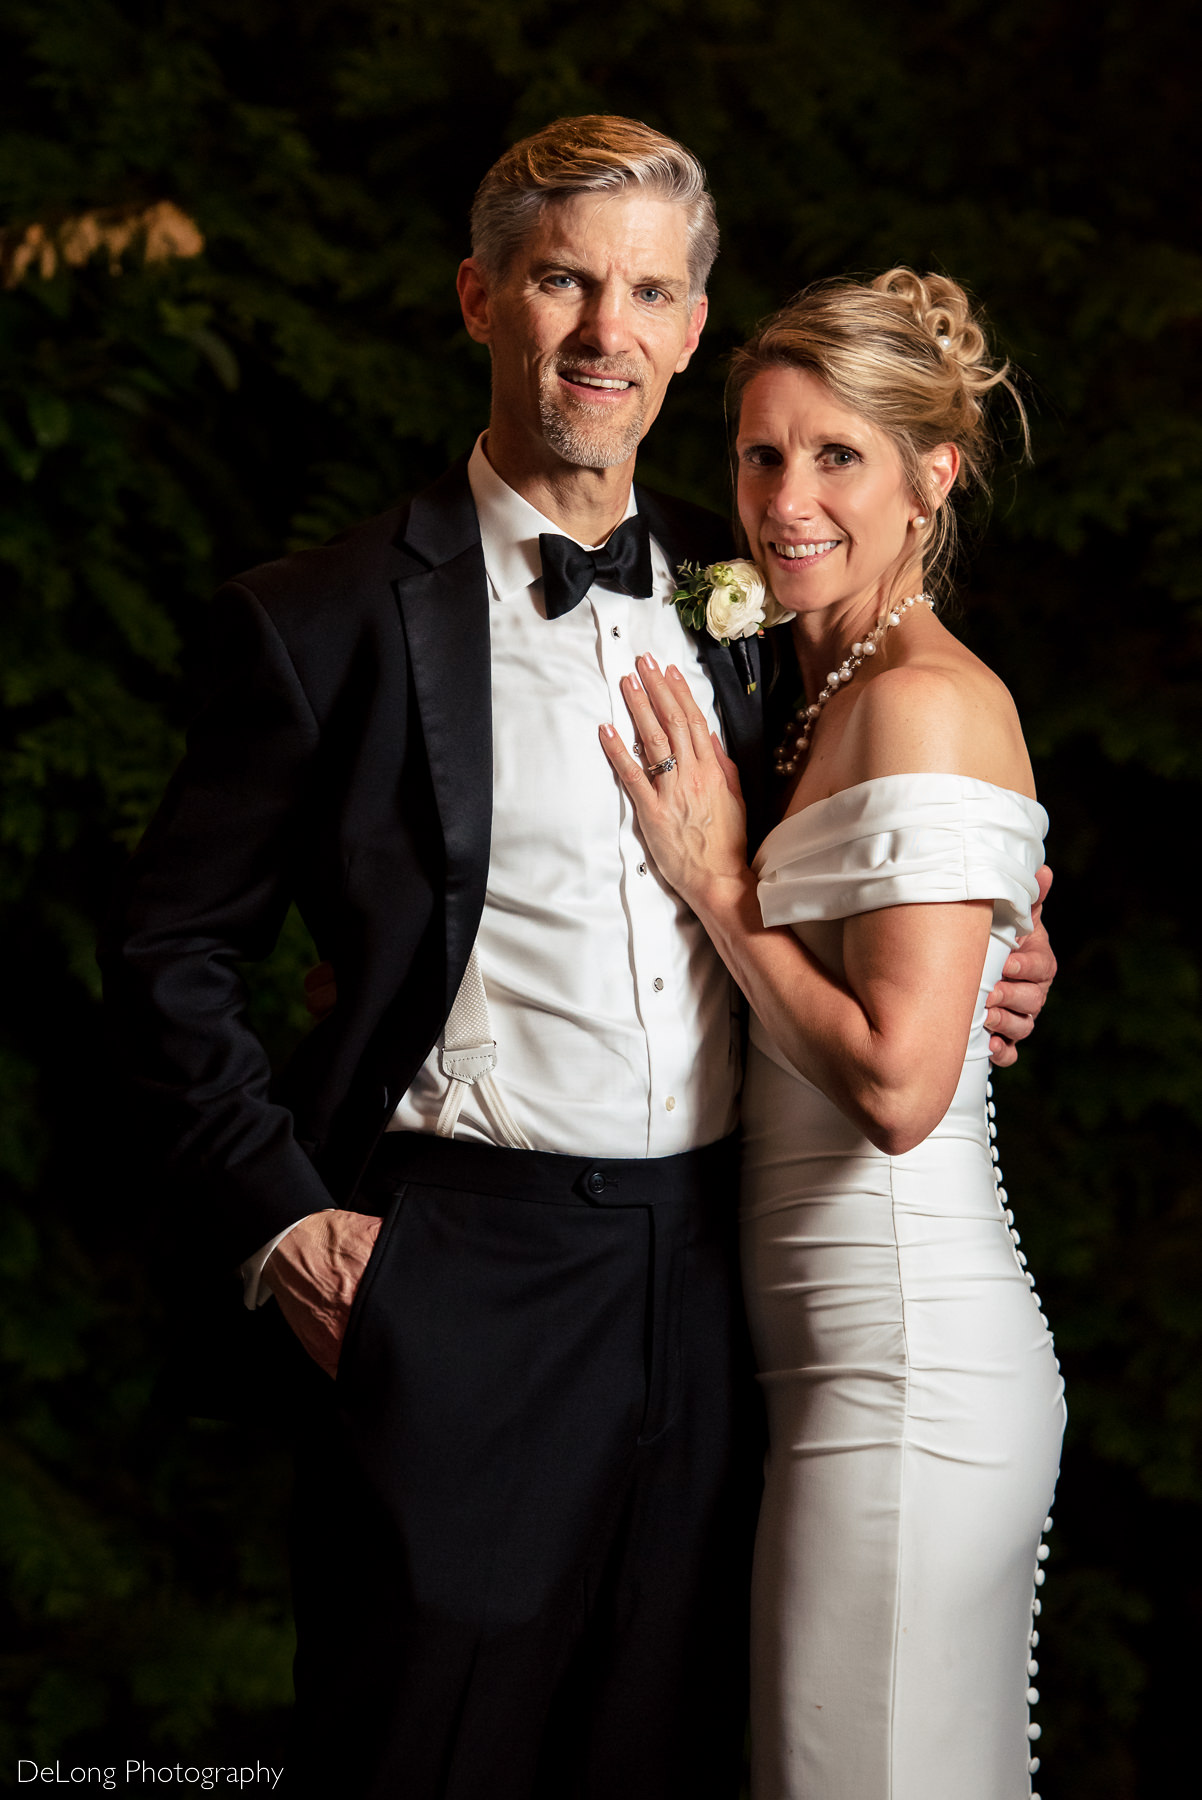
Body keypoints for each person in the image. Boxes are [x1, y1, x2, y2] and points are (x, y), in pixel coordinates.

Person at [101, 112, 1054, 1800]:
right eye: (562, 281)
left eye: (646, 291)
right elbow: (171, 949)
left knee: (678, 1752)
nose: (605, 331)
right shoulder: (318, 622)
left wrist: (998, 950)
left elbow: (873, 858)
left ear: (692, 328)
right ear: (481, 299)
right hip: (468, 1271)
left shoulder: (748, 591)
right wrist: (280, 1221)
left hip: (725, 1280)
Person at [599, 270, 1066, 1800]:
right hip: (829, 1361)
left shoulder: (922, 701)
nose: (784, 501)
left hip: (907, 1365)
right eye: (757, 456)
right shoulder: (811, 691)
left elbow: (895, 1085)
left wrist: (719, 883)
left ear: (932, 475)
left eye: (836, 457)